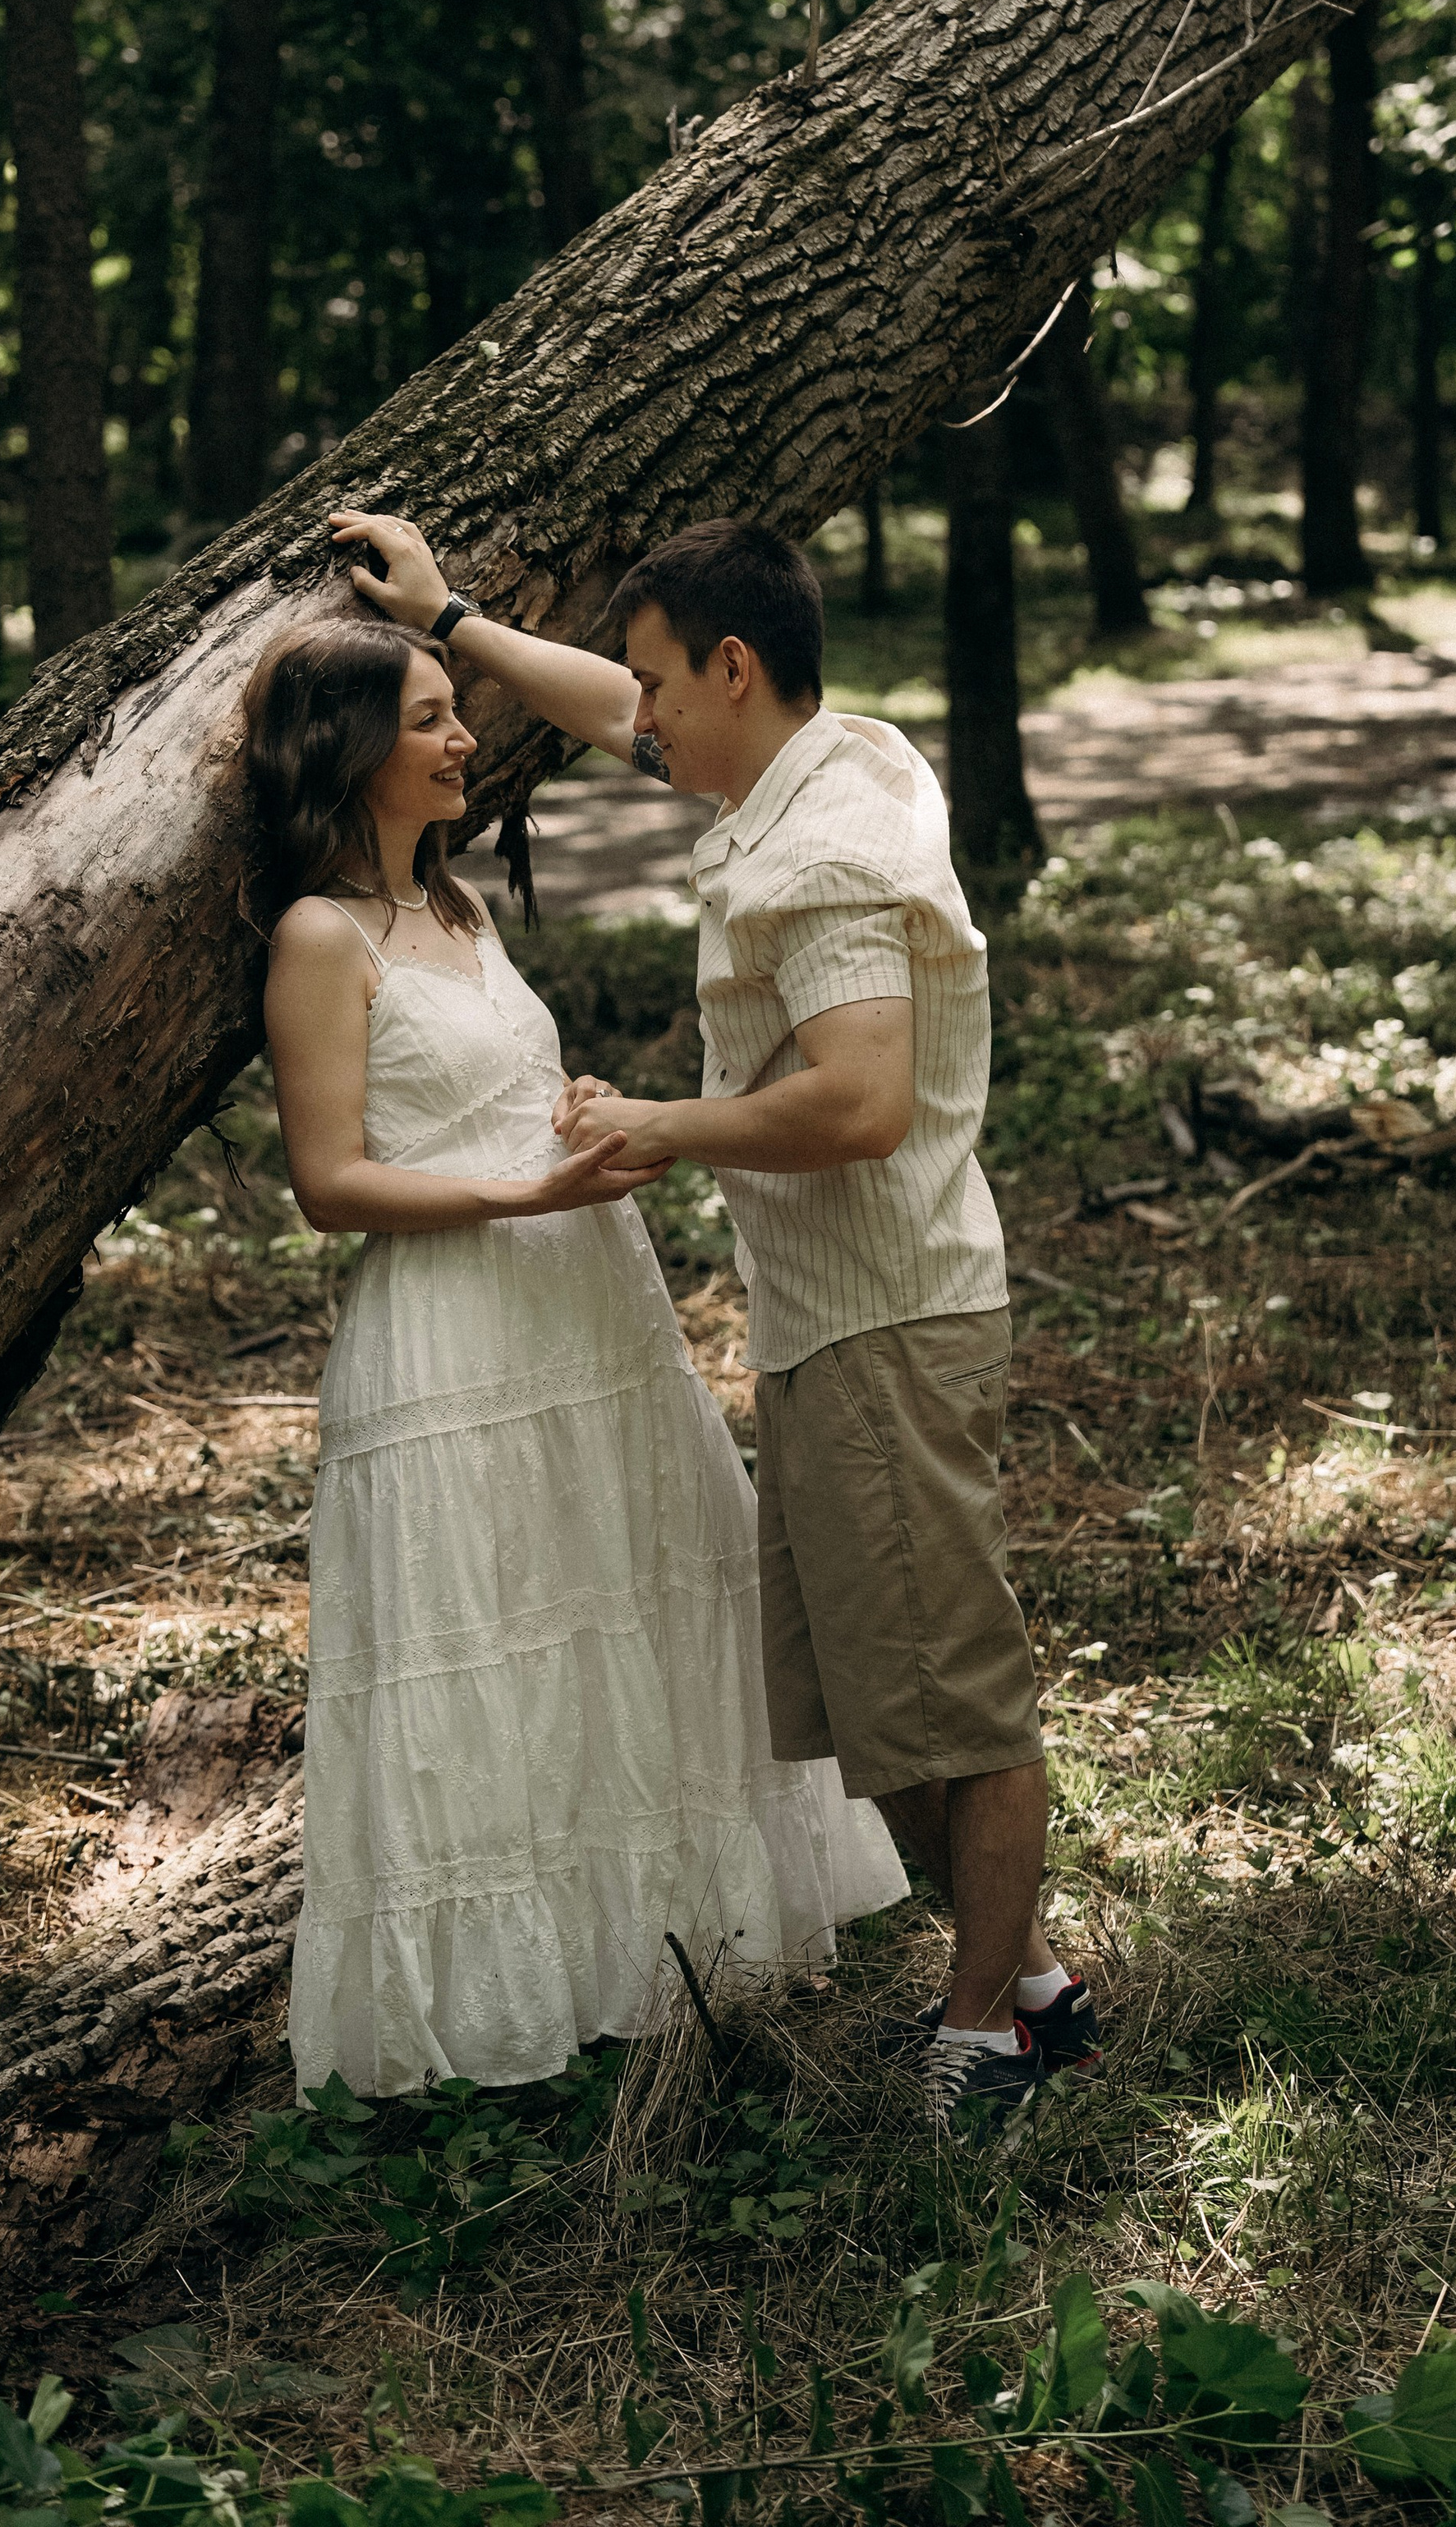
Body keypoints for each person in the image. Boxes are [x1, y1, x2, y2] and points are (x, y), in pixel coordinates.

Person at [331, 508, 1102, 2129]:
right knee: (863, 1693)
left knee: (949, 1696)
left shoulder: (822, 853)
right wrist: (454, 614)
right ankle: (1026, 1979)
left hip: (886, 1316)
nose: (637, 717)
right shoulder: (831, 758)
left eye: (660, 683)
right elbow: (614, 708)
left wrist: (660, 1127)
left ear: (730, 670)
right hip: (836, 1313)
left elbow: (863, 1099)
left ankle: (984, 2038)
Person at [246, 610, 905, 2102]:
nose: (465, 737)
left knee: (621, 1608)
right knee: (488, 1646)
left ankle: (658, 1959)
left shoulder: (463, 914)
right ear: (349, 752)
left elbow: (482, 1093)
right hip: (454, 1335)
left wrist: (572, 1116)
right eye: (428, 717)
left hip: (587, 1314)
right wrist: (518, 1190)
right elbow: (331, 1182)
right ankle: (496, 2021)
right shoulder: (317, 936)